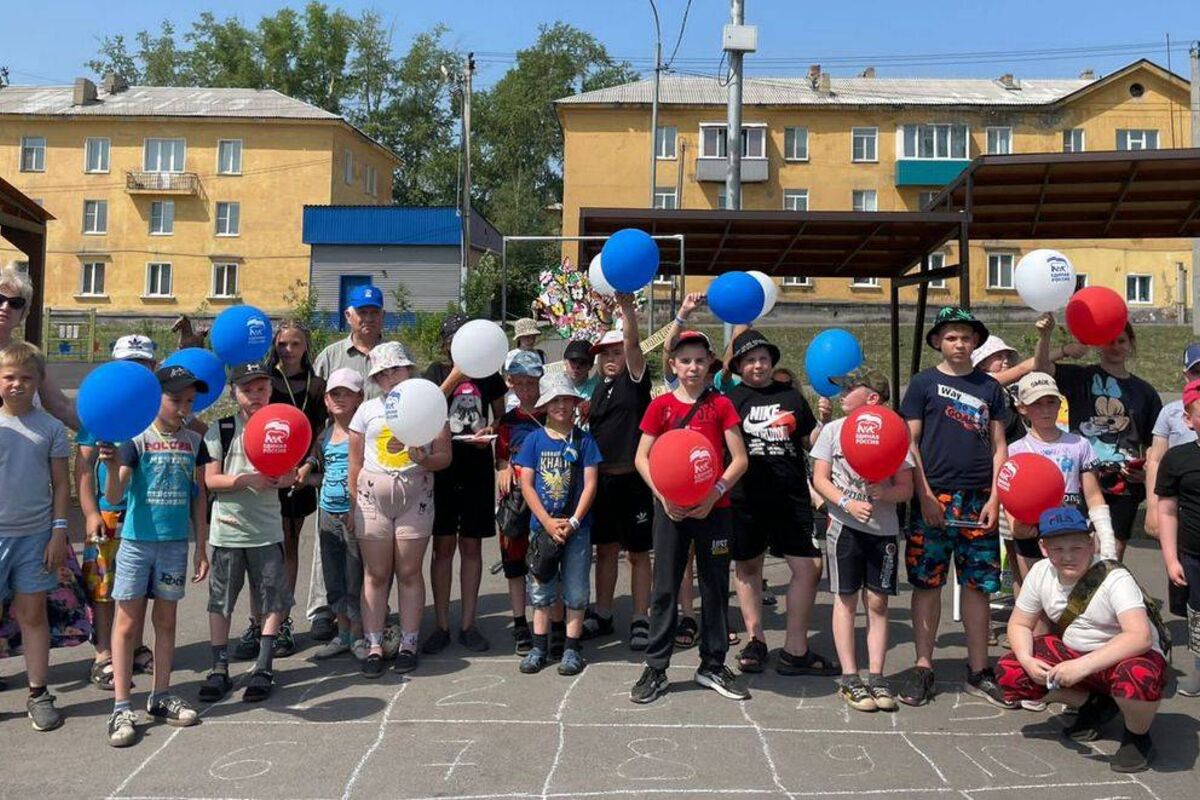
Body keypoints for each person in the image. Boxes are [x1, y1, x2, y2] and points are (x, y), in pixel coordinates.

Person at [899, 307, 1013, 709]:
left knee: (979, 586)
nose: (959, 344)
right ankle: (924, 665)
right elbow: (909, 443)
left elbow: (1000, 447)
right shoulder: (923, 384)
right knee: (927, 584)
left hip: (980, 500)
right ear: (937, 342)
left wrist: (997, 499)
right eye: (951, 337)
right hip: (934, 499)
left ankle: (979, 669)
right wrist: (925, 495)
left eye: (966, 337)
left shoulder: (990, 387)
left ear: (976, 342)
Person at [995, 506, 1167, 773]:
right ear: (1043, 548)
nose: (1068, 557)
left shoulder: (1115, 577)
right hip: (1078, 655)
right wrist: (1028, 661)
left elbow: (1139, 636)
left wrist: (1082, 666)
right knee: (1012, 671)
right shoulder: (1040, 573)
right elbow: (1019, 623)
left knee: (1136, 677)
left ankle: (1138, 735)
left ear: (1092, 542)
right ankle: (1093, 705)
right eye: (1058, 549)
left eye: (1076, 548)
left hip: (1126, 656)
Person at [630, 330, 749, 704]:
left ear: (709, 363)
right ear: (673, 365)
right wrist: (663, 496)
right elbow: (641, 458)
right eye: (685, 360)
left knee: (715, 587)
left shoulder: (722, 404)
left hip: (715, 510)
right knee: (665, 587)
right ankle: (657, 667)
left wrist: (714, 494)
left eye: (699, 360)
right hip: (672, 511)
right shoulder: (660, 407)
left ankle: (712, 664)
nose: (693, 367)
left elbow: (740, 460)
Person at [99, 365, 210, 747]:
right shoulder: (137, 439)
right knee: (128, 623)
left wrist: (202, 545)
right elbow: (114, 496)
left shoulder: (195, 442)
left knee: (166, 620)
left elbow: (200, 497)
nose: (184, 407)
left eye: (190, 401)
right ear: (154, 398)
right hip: (136, 543)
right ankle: (120, 705)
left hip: (175, 544)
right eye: (176, 399)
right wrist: (111, 465)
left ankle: (160, 695)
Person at [724, 329, 828, 676]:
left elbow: (810, 441)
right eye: (751, 360)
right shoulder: (732, 400)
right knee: (748, 567)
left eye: (763, 359)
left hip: (792, 498)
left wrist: (824, 423)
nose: (758, 365)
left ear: (772, 362)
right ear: (739, 366)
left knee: (810, 568)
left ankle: (795, 648)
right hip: (746, 499)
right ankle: (756, 639)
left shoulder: (792, 397)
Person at [812, 368, 915, 712]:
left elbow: (906, 488)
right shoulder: (833, 430)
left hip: (883, 531)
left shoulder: (895, 432)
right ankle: (850, 677)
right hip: (844, 527)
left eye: (849, 389)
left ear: (873, 397)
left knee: (878, 603)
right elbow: (820, 479)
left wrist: (886, 492)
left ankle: (877, 676)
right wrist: (845, 503)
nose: (842, 394)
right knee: (846, 600)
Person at [350, 343, 451, 676]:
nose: (388, 377)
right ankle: (374, 644)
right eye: (381, 373)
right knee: (376, 574)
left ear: (409, 369)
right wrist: (353, 504)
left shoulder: (431, 406)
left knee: (409, 572)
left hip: (415, 495)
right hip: (372, 497)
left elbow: (444, 457)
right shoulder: (366, 410)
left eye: (394, 369)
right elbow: (355, 461)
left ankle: (409, 642)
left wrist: (425, 458)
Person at [199, 362, 297, 704]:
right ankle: (219, 667)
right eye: (247, 390)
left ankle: (263, 666)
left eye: (261, 388)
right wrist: (247, 480)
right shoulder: (222, 429)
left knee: (272, 599)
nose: (255, 395)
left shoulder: (283, 424)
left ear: (270, 390)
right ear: (234, 393)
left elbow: (291, 472)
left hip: (267, 529)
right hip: (227, 531)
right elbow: (211, 480)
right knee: (221, 601)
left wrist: (285, 478)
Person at [1038, 322, 1161, 563]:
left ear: (1131, 345)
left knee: (1112, 553)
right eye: (1110, 341)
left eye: (1122, 341)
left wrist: (1145, 472)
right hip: (1081, 479)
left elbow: (1154, 446)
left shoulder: (1145, 392)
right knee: (1077, 547)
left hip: (1123, 485)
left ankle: (1105, 598)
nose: (1115, 347)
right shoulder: (1081, 377)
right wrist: (1052, 341)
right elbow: (1040, 368)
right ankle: (1075, 600)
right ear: (1098, 345)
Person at [76, 335, 158, 690]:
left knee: (138, 586)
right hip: (109, 514)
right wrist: (91, 512)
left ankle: (135, 644)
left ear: (153, 369)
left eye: (142, 365)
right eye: (128, 365)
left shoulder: (157, 411)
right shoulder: (100, 410)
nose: (135, 372)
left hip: (147, 515)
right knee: (104, 588)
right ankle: (104, 655)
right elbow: (82, 470)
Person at [307, 284, 386, 643]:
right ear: (348, 316)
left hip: (380, 462)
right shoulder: (330, 355)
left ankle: (370, 614)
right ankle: (326, 611)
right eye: (361, 312)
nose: (367, 318)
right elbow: (313, 405)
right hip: (337, 456)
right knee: (331, 548)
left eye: (374, 312)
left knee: (369, 548)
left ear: (382, 315)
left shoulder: (391, 356)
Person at [424, 314, 507, 654]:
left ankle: (468, 623)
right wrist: (455, 376)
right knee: (443, 547)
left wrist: (492, 431)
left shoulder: (490, 374)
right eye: (450, 339)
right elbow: (424, 408)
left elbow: (502, 417)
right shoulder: (436, 372)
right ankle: (442, 624)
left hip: (476, 466)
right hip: (442, 467)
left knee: (471, 546)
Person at [0, 342, 70, 731]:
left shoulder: (51, 427)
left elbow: (61, 485)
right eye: (9, 376)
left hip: (36, 537)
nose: (17, 384)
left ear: (40, 382)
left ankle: (38, 691)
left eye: (27, 378)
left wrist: (58, 532)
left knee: (32, 614)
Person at [514, 373, 602, 676]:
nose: (561, 405)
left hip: (577, 528)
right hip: (543, 528)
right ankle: (539, 646)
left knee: (576, 590)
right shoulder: (533, 440)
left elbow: (591, 483)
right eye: (555, 400)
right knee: (541, 589)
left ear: (576, 404)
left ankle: (571, 648)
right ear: (545, 406)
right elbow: (526, 483)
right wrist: (546, 521)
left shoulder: (585, 440)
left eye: (567, 399)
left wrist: (575, 521)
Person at [585, 294, 653, 649]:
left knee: (638, 554)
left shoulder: (635, 381)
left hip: (633, 480)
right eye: (605, 354)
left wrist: (626, 311)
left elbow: (634, 345)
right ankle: (604, 613)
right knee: (606, 550)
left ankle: (641, 617)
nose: (611, 359)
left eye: (616, 352)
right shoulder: (598, 389)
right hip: (603, 481)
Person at [1007, 372, 1116, 585]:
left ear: (1060, 404)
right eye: (1037, 404)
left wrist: (1107, 541)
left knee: (1077, 600)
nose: (1046, 410)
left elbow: (1093, 496)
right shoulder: (1015, 450)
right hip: (1032, 531)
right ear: (1022, 408)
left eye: (1051, 402)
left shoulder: (1079, 444)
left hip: (1072, 529)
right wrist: (1016, 527)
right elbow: (1010, 498)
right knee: (1034, 598)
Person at [264, 320, 327, 657]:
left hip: (298, 474)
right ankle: (260, 621)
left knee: (288, 544)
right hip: (266, 473)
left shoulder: (317, 386)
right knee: (263, 550)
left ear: (306, 347)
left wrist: (308, 466)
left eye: (295, 344)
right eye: (283, 344)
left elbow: (319, 433)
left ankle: (283, 621)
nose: (288, 350)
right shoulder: (264, 381)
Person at [300, 368, 367, 661]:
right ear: (326, 400)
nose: (340, 399)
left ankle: (359, 634)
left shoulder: (362, 432)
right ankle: (342, 634)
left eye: (347, 393)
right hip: (328, 513)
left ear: (359, 398)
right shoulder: (324, 435)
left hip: (356, 513)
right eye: (334, 394)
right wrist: (303, 480)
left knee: (356, 577)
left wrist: (356, 508)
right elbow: (324, 476)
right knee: (334, 578)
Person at [495, 351, 547, 655]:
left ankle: (551, 620)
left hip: (546, 496)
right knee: (514, 565)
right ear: (512, 384)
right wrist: (503, 467)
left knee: (545, 561)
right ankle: (519, 622)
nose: (526, 388)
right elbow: (501, 456)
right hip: (515, 501)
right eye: (520, 383)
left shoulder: (553, 412)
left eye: (532, 382)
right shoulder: (508, 420)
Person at [1152, 376, 1200, 697]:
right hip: (1194, 553)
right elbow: (1167, 512)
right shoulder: (1177, 459)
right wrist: (1171, 559)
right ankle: (1199, 672)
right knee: (1198, 615)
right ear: (1188, 420)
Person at [0, 263, 77, 430]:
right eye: (0, 299)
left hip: (24, 452)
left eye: (16, 303)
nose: (5, 307)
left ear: (23, 313)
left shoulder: (27, 357)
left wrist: (100, 433)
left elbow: (61, 406)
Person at [1144, 343, 1200, 539]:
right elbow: (1156, 459)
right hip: (1179, 500)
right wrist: (1152, 507)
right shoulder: (1171, 412)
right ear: (1186, 374)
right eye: (1196, 371)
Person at [562, 339, 599, 426]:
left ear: (590, 366)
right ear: (565, 362)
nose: (577, 367)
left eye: (583, 363)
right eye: (573, 361)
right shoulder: (554, 388)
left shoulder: (597, 387)